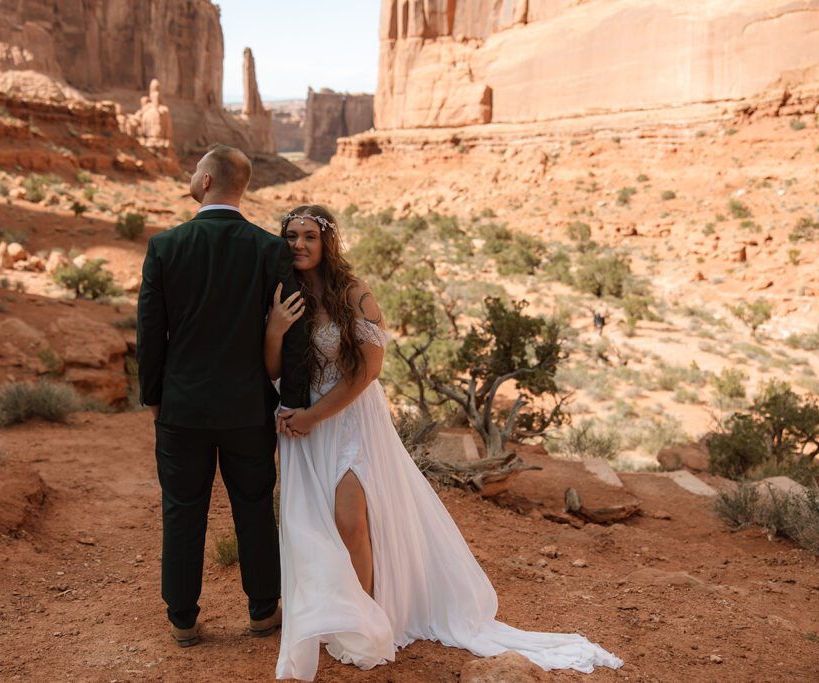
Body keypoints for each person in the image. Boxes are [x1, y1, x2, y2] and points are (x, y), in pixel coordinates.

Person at [264, 205, 623, 681]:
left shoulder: (356, 295)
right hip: (303, 424)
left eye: (309, 235)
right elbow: (270, 369)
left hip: (349, 419)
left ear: (328, 242)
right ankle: (335, 614)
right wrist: (274, 330)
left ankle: (367, 623)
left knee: (350, 521)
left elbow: (367, 374)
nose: (298, 245)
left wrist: (312, 415)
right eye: (291, 236)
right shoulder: (284, 296)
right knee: (312, 526)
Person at [136, 145, 310, 648]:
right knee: (254, 506)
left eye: (195, 171)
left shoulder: (165, 246)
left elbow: (151, 331)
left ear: (207, 182)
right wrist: (289, 400)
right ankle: (262, 612)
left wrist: (154, 396)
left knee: (182, 508)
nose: (191, 176)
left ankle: (183, 619)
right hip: (248, 408)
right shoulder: (266, 248)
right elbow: (292, 327)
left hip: (181, 408)